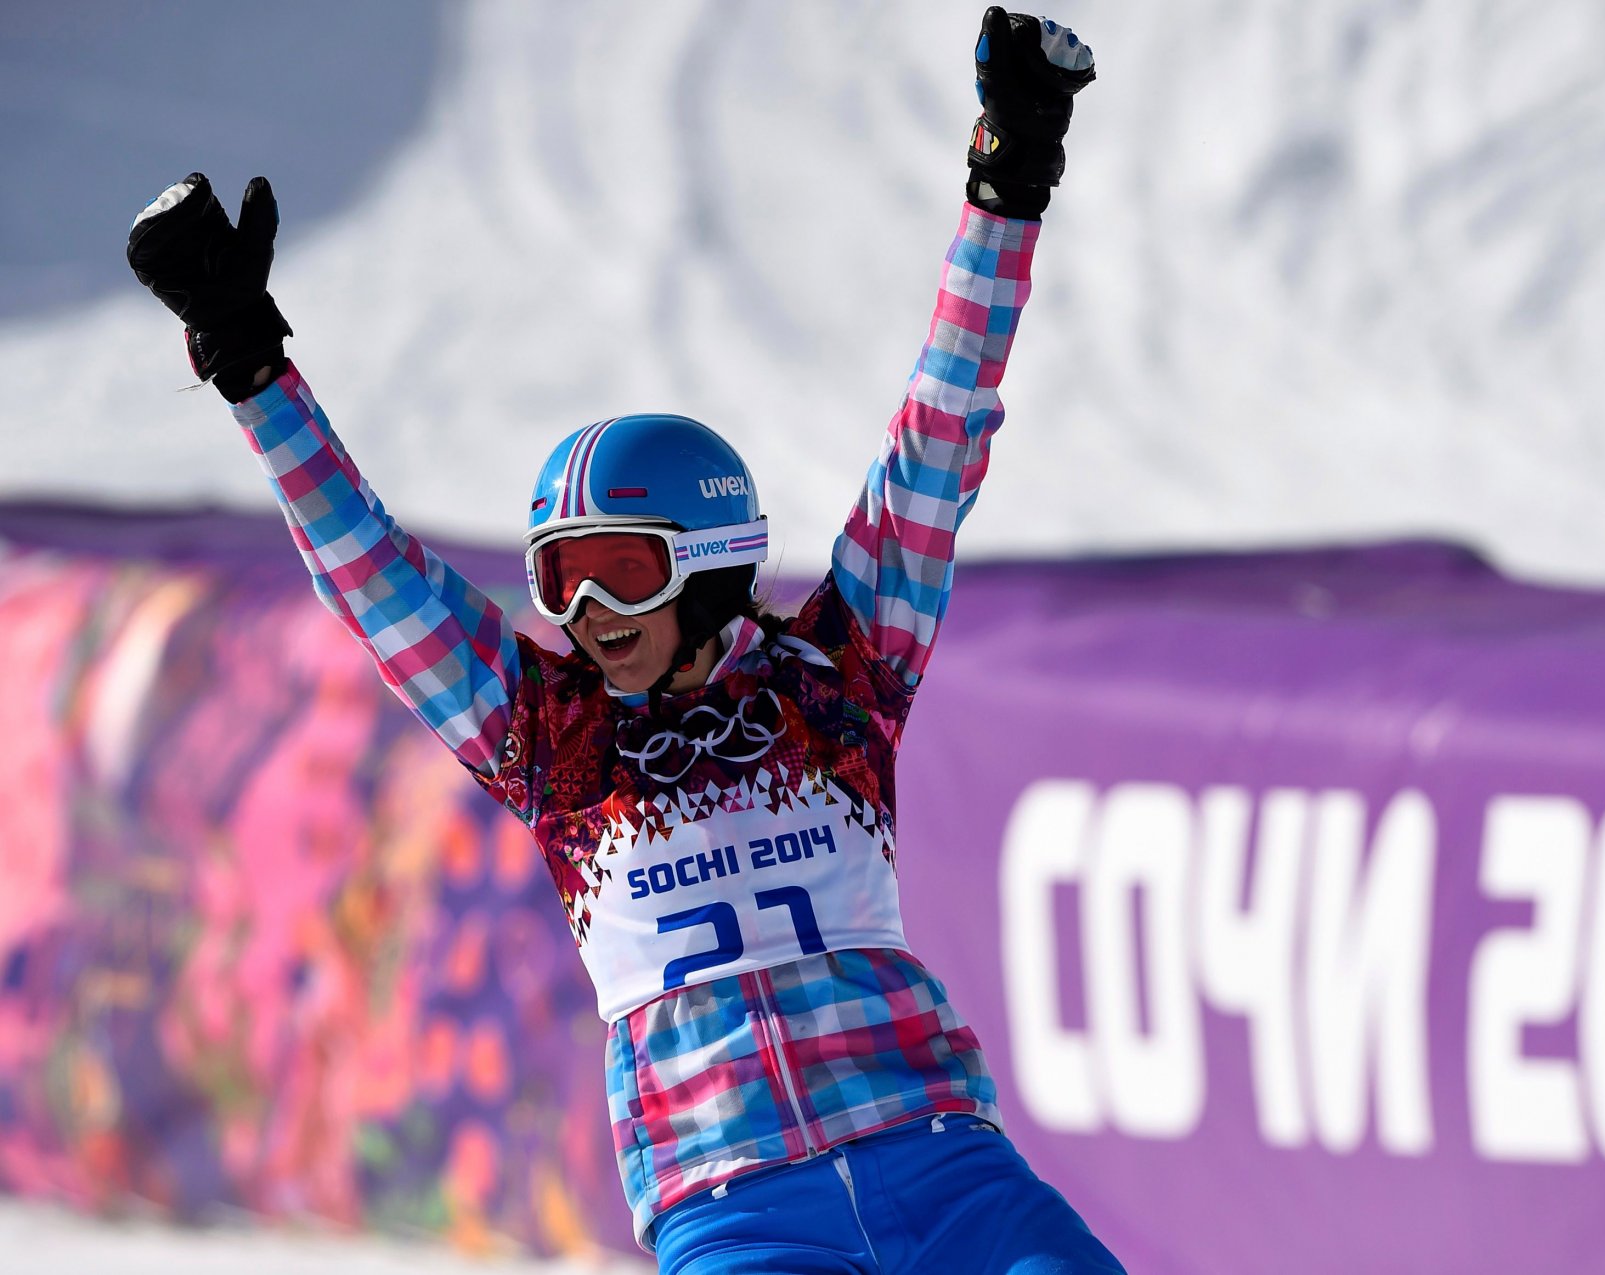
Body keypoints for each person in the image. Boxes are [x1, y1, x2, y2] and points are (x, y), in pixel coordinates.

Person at [128, 9, 1120, 1273]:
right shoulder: (553, 743)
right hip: (733, 1204)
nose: (587, 619)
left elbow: (940, 435)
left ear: (707, 566)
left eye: (616, 574)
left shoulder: (842, 674)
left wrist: (1010, 178)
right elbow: (377, 580)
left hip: (947, 1162)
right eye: (560, 583)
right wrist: (252, 370)